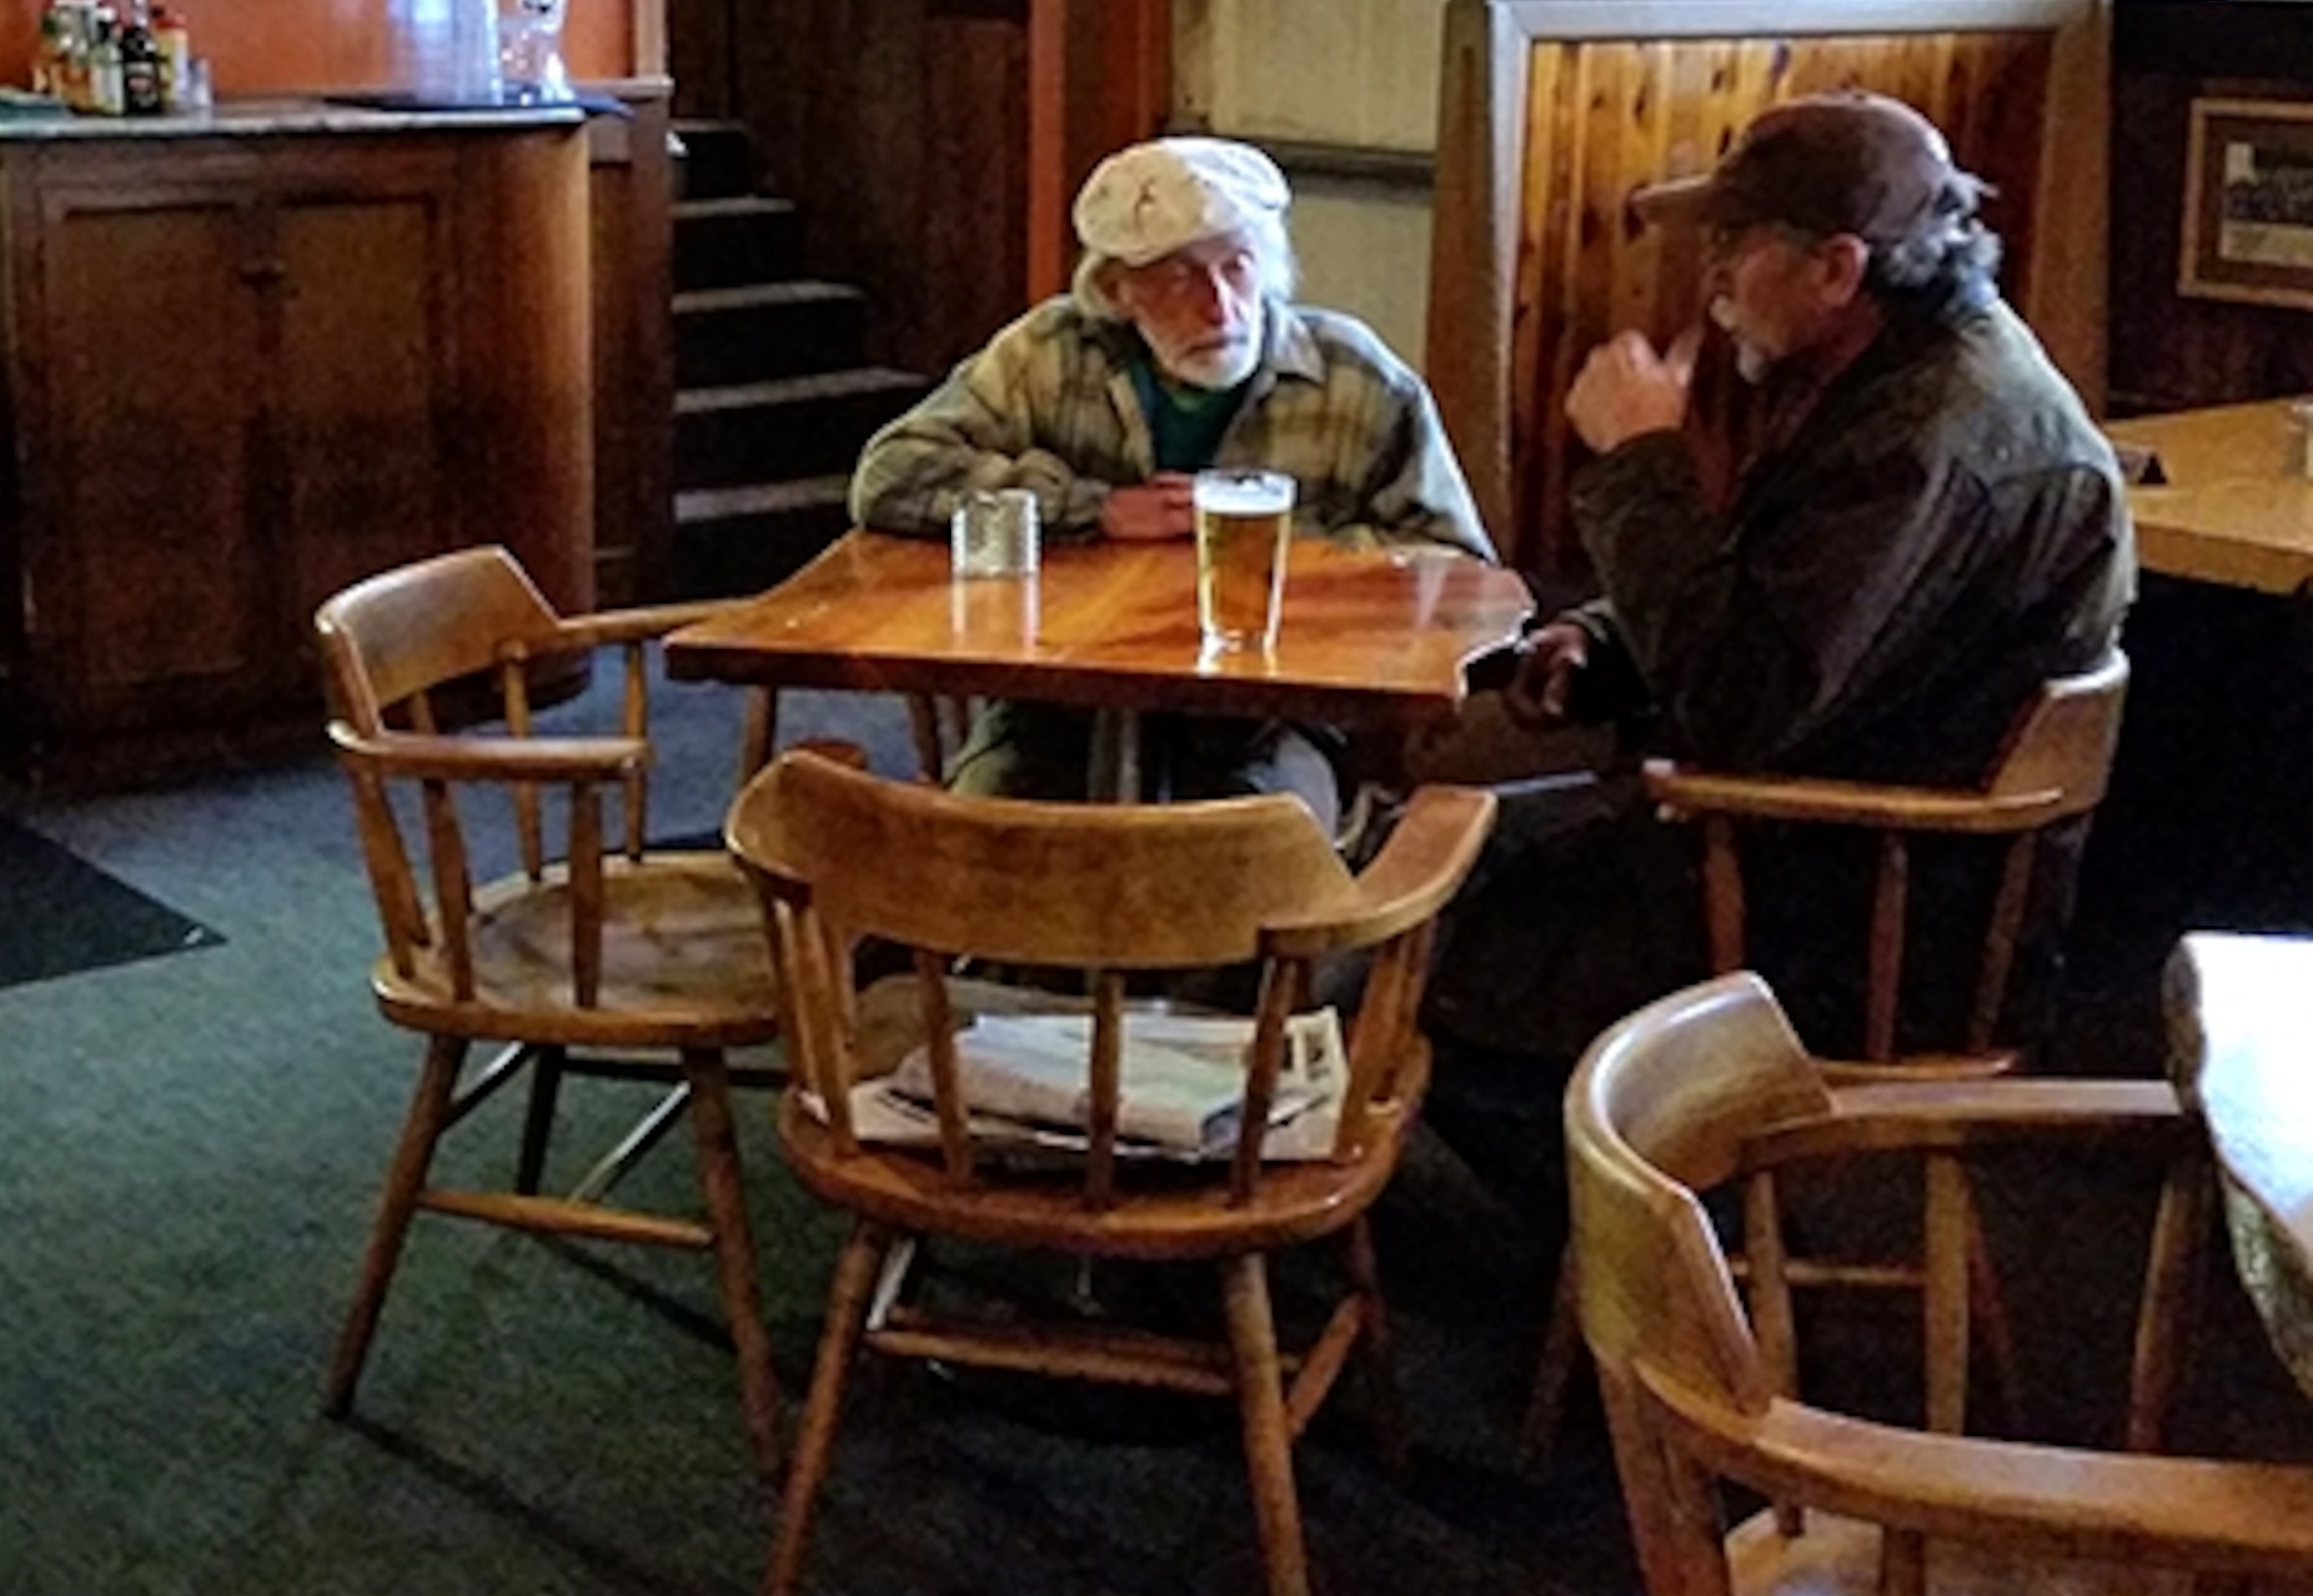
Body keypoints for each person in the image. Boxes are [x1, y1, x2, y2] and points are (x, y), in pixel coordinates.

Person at [1425, 90, 2137, 1072]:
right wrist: (1604, 642)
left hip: (1854, 919)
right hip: (1805, 851)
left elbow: (1741, 702)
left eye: (1735, 244)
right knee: (1444, 846)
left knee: (1429, 895)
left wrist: (1641, 463)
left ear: (1838, 269)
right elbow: (1778, 605)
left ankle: (1604, 1177)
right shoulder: (1896, 377)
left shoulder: (1926, 441)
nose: (1710, 274)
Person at [849, 134, 1491, 820]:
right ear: (1117, 290)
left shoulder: (1355, 377)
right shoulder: (1050, 354)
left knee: (1263, 847)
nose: (1220, 305)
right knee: (985, 839)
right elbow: (890, 475)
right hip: (1059, 700)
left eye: (1238, 267)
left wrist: (1282, 551)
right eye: (1180, 278)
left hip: (1275, 712)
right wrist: (1094, 510)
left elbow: (1458, 569)